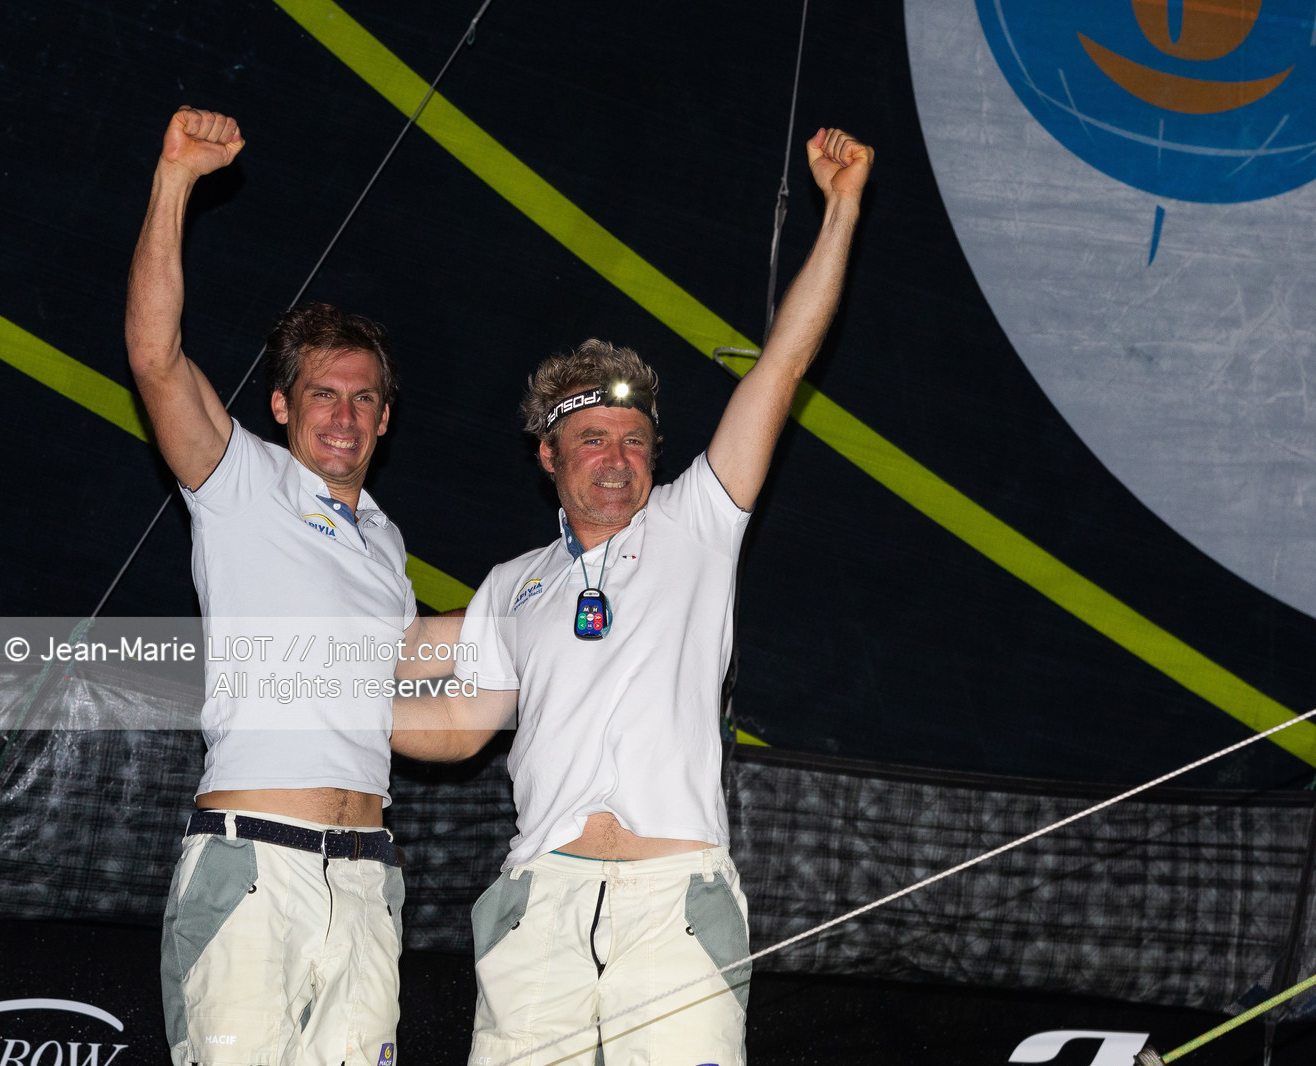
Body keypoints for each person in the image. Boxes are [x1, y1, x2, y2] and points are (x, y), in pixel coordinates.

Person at [392, 126, 874, 1065]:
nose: (615, 460)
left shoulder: (697, 523)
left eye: (634, 440)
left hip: (674, 907)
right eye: (591, 440)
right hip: (542, 907)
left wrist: (842, 209)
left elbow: (781, 366)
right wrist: (322, 701)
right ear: (549, 455)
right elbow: (455, 725)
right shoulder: (513, 585)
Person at [128, 106, 445, 1066]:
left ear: (385, 418)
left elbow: (418, 720)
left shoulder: (386, 545)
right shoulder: (241, 482)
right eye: (322, 394)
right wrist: (175, 179)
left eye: (363, 398)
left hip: (366, 881)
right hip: (255, 864)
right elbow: (153, 356)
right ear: (281, 405)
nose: (343, 416)